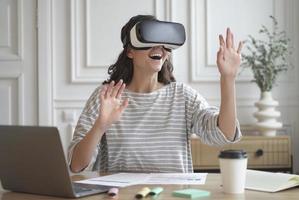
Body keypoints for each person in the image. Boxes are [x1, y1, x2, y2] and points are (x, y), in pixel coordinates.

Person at [68, 15, 243, 173]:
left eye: (163, 41)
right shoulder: (106, 97)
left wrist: (228, 78)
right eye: (150, 40)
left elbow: (224, 134)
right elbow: (76, 165)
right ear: (130, 51)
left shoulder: (183, 96)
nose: (159, 48)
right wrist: (101, 125)